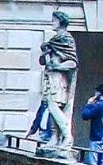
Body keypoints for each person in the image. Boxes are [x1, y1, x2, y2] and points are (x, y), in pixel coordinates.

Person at [37, 10, 79, 152]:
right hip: (50, 78)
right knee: (52, 108)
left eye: (54, 20)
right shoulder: (54, 40)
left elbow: (73, 63)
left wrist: (57, 66)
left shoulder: (67, 39)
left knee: (54, 107)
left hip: (60, 80)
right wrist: (46, 53)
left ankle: (67, 136)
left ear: (61, 22)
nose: (52, 23)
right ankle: (55, 138)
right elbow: (43, 61)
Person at [81, 84, 103, 165]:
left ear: (99, 93)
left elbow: (85, 115)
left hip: (97, 137)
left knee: (93, 164)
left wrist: (89, 104)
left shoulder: (99, 105)